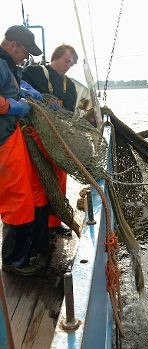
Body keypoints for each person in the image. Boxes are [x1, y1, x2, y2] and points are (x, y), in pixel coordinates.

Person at [0, 25, 49, 276]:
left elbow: (11, 90)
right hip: (2, 141)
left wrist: (27, 94)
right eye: (25, 51)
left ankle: (28, 249)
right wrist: (17, 108)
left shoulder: (8, 66)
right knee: (16, 198)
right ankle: (13, 262)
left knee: (28, 192)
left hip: (10, 136)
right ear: (11, 44)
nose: (26, 57)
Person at [22, 44, 79, 236]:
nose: (68, 65)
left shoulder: (69, 85)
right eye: (66, 61)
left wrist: (58, 109)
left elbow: (70, 111)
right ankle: (37, 228)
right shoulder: (34, 72)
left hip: (57, 139)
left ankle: (54, 224)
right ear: (56, 56)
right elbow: (18, 87)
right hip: (33, 136)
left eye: (71, 64)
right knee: (36, 182)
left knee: (59, 180)